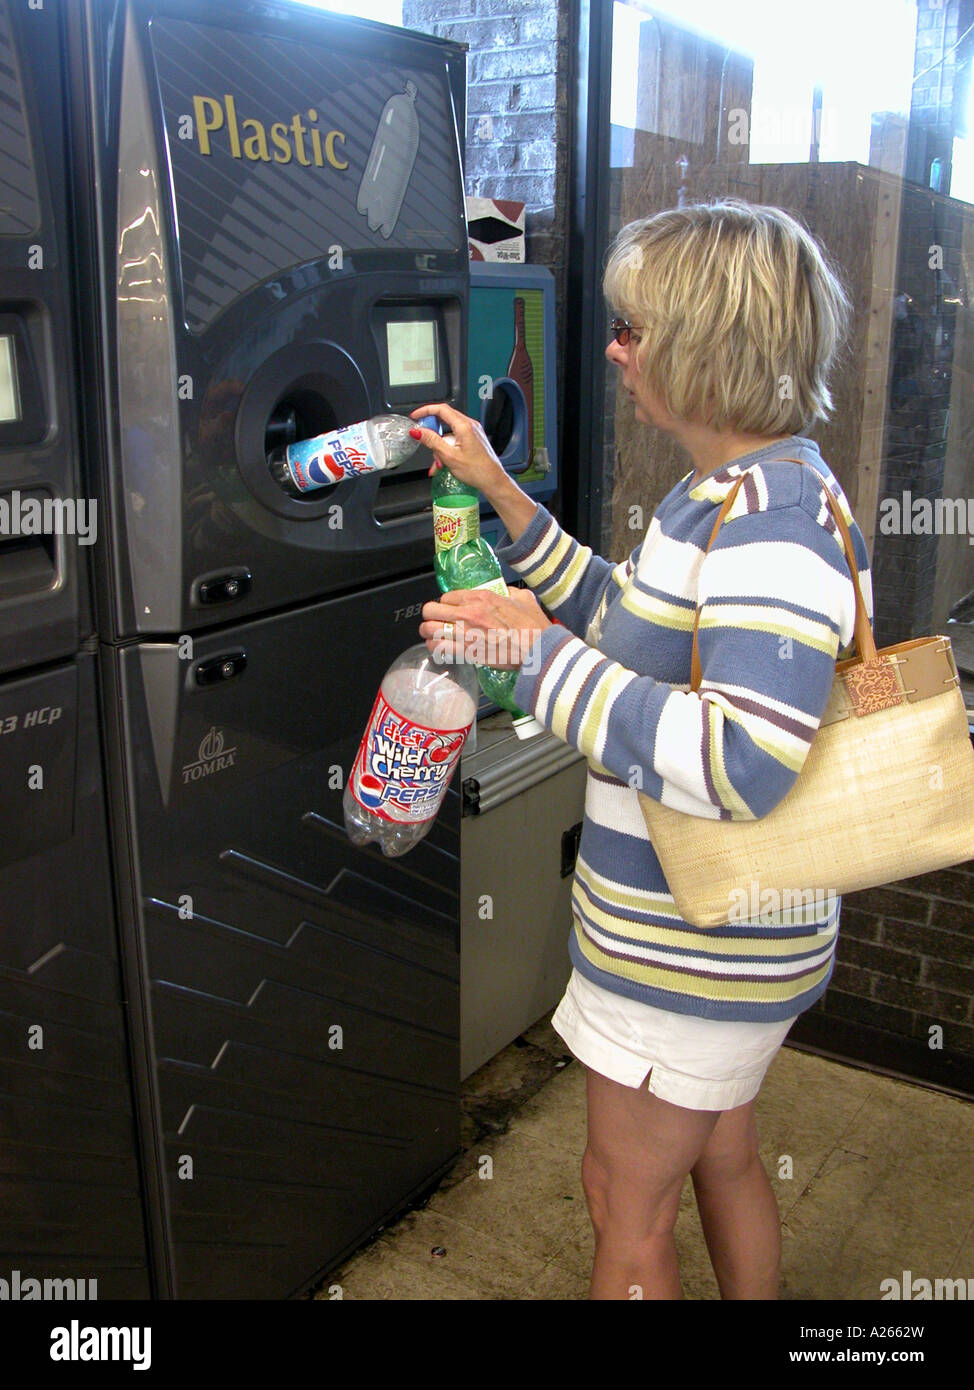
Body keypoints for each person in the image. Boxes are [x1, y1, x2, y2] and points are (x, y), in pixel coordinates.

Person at [409, 200, 871, 1301]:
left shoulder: (771, 518)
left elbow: (742, 758)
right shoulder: (734, 491)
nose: (612, 350)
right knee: (721, 1155)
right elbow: (639, 626)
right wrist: (503, 497)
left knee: (624, 1204)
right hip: (720, 948)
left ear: (707, 341)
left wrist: (533, 662)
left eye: (632, 328)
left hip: (690, 956)